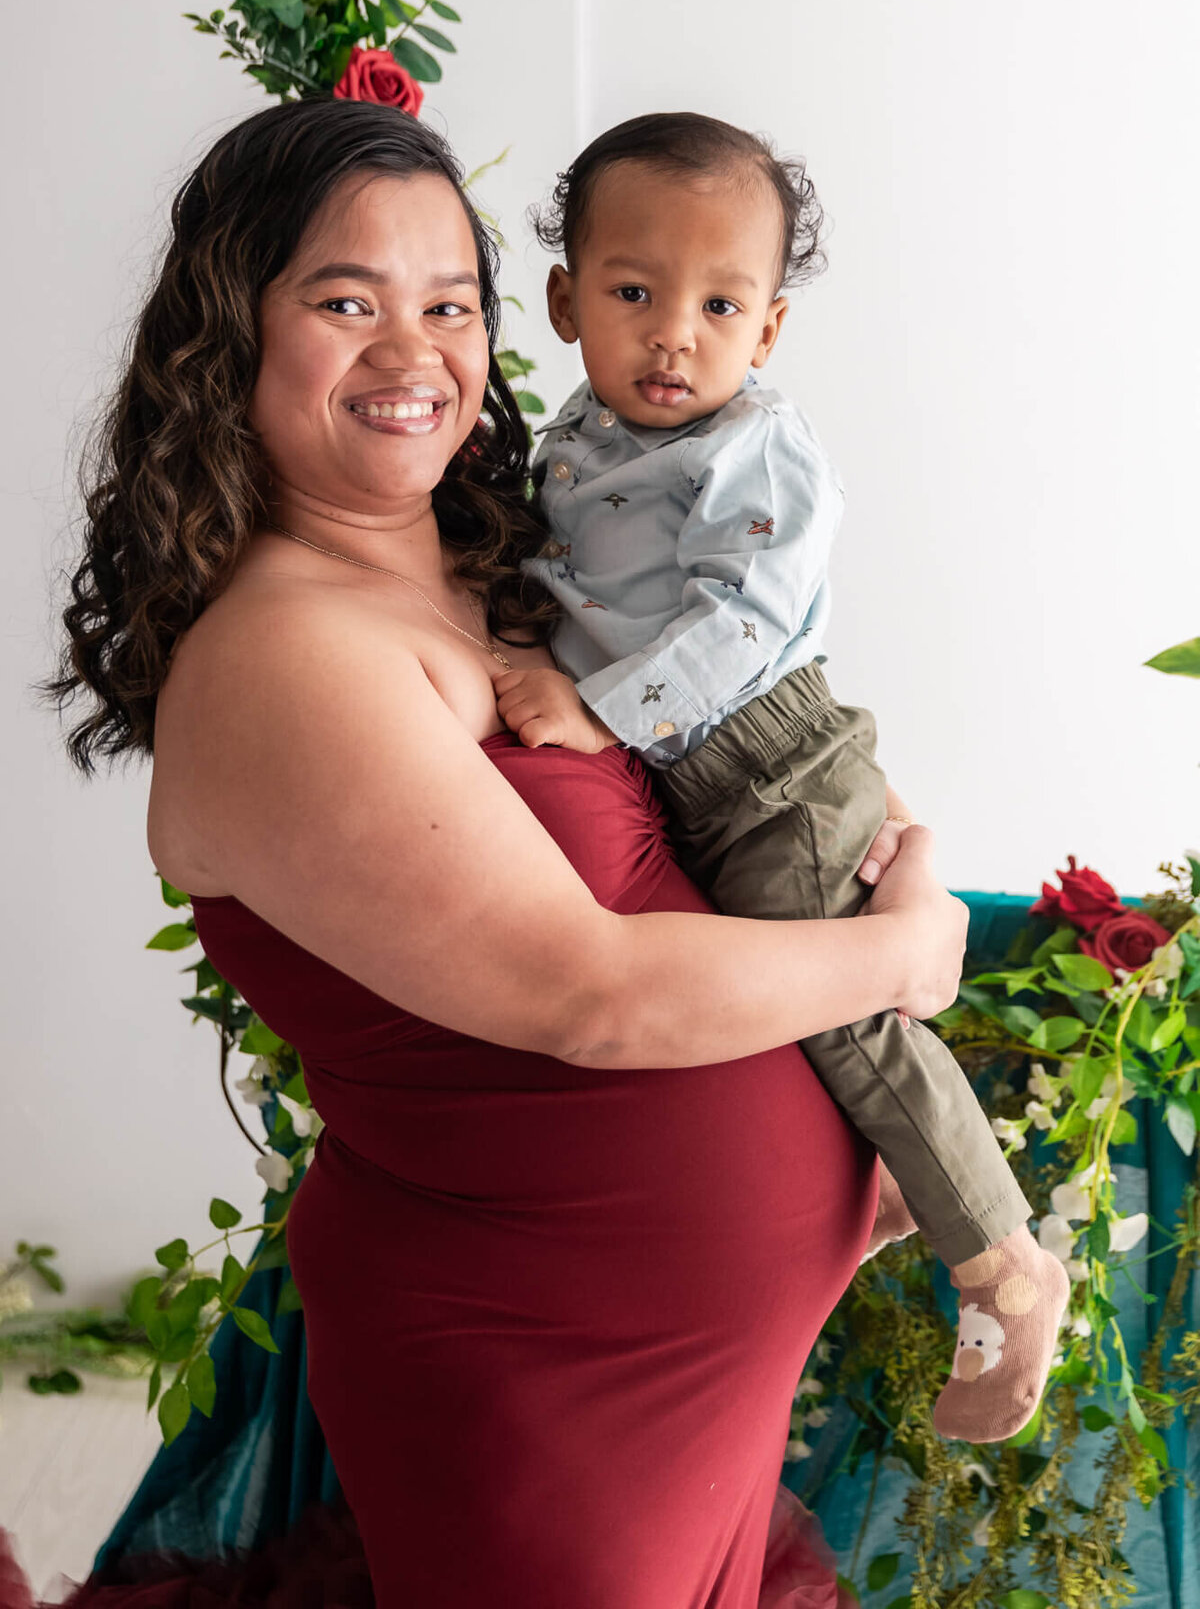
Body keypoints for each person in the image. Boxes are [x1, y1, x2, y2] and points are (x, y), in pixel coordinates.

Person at [13, 97, 969, 1609]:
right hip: (545, 1384)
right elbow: (583, 992)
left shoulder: (495, 565)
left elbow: (750, 731)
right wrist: (906, 954)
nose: (414, 353)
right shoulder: (284, 659)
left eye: (448, 303)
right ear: (227, 334)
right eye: (345, 301)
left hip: (688, 1372)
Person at [497, 111, 1068, 1446]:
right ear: (566, 300)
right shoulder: (579, 431)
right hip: (697, 778)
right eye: (634, 293)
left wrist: (587, 701)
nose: (672, 334)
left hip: (774, 767)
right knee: (754, 1010)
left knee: (848, 1009)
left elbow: (744, 619)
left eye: (719, 303)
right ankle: (876, 1184)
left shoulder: (753, 446)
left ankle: (1005, 1264)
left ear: (766, 330)